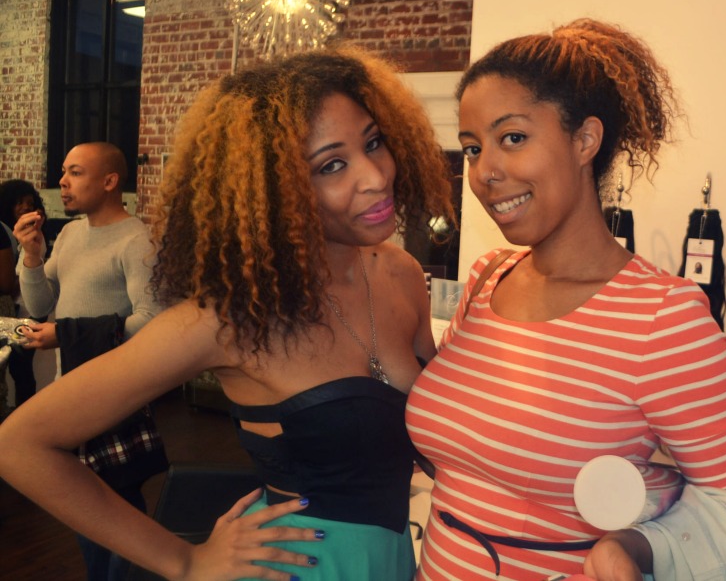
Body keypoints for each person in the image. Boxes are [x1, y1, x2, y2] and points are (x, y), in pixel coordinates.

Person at [0, 45, 456, 581]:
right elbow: (20, 444)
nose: (376, 176)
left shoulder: (401, 273)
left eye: (374, 143)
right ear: (275, 189)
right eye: (331, 165)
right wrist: (184, 560)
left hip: (395, 557)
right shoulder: (234, 318)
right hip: (300, 566)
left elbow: (435, 424)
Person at [405, 19, 726, 581]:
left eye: (513, 138)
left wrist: (635, 546)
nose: (485, 172)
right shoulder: (485, 280)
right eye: (473, 148)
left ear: (584, 140)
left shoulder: (664, 318)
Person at [10, 144, 166, 580]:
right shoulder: (72, 234)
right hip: (71, 385)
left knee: (116, 505)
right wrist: (32, 256)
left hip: (114, 392)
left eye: (75, 172)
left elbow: (152, 321)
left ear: (110, 181)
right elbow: (39, 305)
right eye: (63, 171)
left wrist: (65, 333)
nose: (62, 181)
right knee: (85, 506)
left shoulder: (138, 241)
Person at [0, 178, 47, 407]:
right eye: (19, 202)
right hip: (18, 305)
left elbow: (16, 279)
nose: (25, 207)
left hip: (29, 308)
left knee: (21, 367)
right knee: (18, 367)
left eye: (29, 202)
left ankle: (25, 411)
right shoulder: (11, 231)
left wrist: (16, 280)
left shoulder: (32, 234)